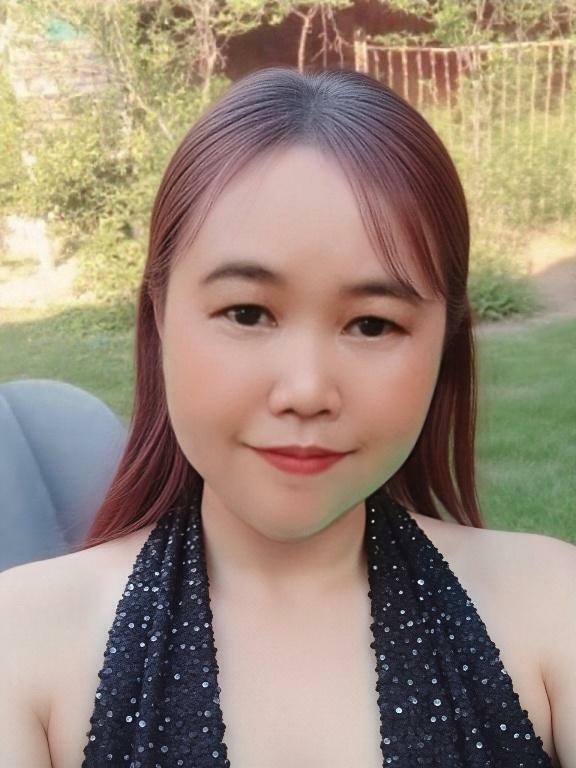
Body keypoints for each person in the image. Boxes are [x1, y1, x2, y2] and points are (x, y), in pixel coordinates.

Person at [0, 66, 573, 768]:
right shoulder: (22, 644)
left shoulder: (553, 607)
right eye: (247, 313)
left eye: (372, 324)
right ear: (160, 316)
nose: (306, 390)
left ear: (443, 345)